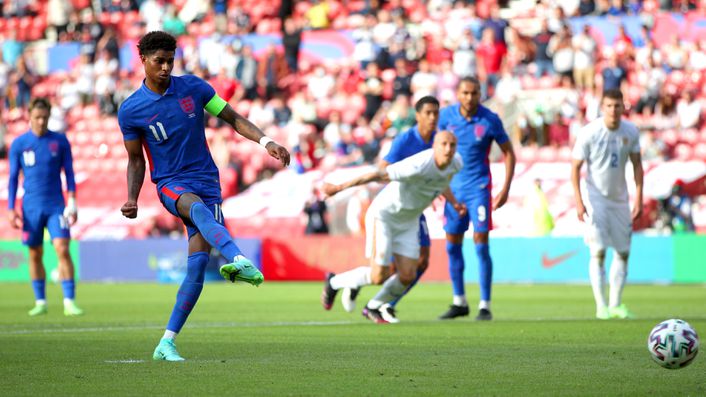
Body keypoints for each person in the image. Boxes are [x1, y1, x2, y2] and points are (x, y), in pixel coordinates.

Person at [118, 31, 290, 361]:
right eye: (159, 61)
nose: (166, 67)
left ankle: (166, 342)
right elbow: (136, 159)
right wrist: (132, 197)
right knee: (196, 210)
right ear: (143, 61)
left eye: (170, 60)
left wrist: (267, 141)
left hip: (207, 180)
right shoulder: (131, 110)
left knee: (196, 267)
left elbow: (233, 118)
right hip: (171, 183)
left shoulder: (194, 89)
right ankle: (237, 258)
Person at [321, 131, 465, 323]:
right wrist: (339, 188)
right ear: (435, 146)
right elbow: (378, 174)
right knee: (379, 275)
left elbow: (441, 182)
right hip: (385, 216)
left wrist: (454, 203)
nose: (448, 149)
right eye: (444, 144)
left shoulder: (456, 163)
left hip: (409, 221)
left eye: (452, 145)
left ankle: (373, 307)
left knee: (407, 275)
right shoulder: (418, 164)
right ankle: (334, 282)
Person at [331, 95, 442, 320]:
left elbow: (442, 172)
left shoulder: (440, 143)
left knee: (421, 261)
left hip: (414, 209)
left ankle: (383, 304)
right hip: (395, 206)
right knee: (384, 271)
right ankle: (350, 284)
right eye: (427, 113)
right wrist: (407, 175)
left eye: (435, 113)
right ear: (417, 115)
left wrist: (448, 196)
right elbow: (383, 170)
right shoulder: (405, 140)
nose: (432, 117)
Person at [437, 77, 516, 321]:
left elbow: (508, 152)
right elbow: (434, 150)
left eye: (474, 93)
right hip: (453, 189)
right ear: (457, 94)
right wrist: (435, 186)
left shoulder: (489, 119)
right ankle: (459, 301)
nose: (469, 98)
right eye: (465, 93)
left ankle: (485, 304)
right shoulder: (446, 117)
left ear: (480, 94)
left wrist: (505, 188)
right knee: (452, 244)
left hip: (479, 188)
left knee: (481, 242)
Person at [7, 97, 83, 317]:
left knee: (62, 248)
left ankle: (69, 301)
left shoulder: (59, 141)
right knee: (34, 253)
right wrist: (11, 209)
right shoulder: (20, 144)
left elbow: (69, 173)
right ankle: (40, 301)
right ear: (30, 117)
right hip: (30, 207)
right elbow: (12, 179)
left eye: (44, 117)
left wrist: (73, 202)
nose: (41, 121)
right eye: (37, 117)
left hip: (56, 205)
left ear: (49, 117)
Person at [571, 89, 643, 320]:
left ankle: (616, 305)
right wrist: (579, 201)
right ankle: (601, 306)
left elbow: (637, 166)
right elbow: (575, 168)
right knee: (599, 251)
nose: (613, 110)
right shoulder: (590, 132)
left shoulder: (630, 131)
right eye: (609, 106)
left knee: (623, 253)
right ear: (602, 108)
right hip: (596, 199)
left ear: (624, 107)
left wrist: (639, 197)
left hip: (620, 200)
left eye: (617, 106)